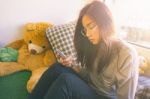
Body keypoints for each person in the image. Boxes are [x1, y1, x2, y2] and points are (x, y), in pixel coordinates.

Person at [28, 1, 139, 99]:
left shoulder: (127, 55)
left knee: (67, 81)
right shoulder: (96, 45)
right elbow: (91, 77)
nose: (87, 34)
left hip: (104, 96)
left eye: (91, 27)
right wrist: (72, 65)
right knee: (57, 68)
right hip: (91, 88)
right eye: (85, 29)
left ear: (105, 22)